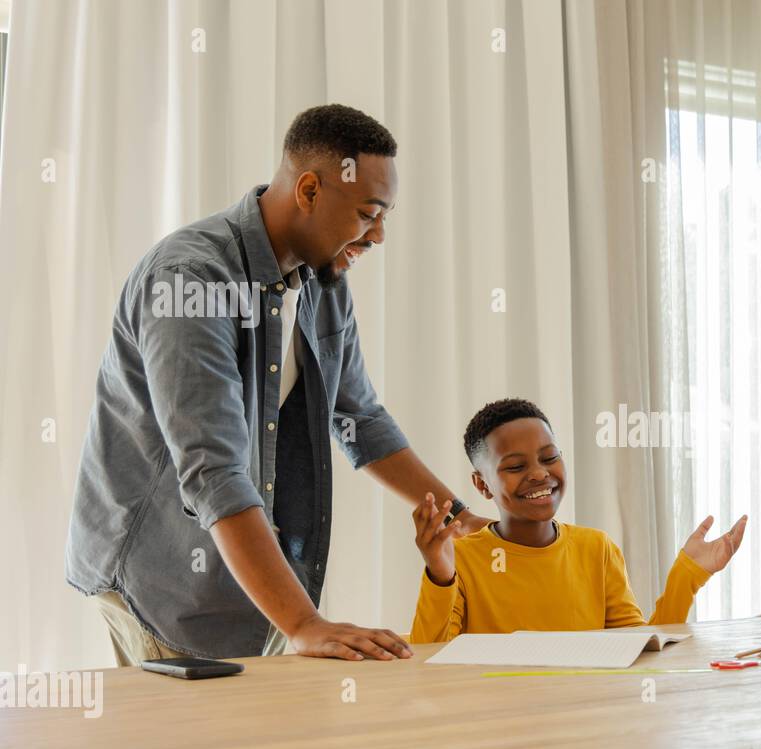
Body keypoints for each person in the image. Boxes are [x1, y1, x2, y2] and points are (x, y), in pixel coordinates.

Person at [67, 104, 487, 665]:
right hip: (162, 576)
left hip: (259, 580)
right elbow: (212, 467)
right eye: (369, 213)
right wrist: (305, 624)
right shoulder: (191, 279)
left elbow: (358, 417)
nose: (380, 234)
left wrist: (459, 519)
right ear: (310, 190)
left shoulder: (325, 276)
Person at [409, 397, 747, 643]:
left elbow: (638, 651)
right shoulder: (461, 560)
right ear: (482, 485)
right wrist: (440, 575)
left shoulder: (596, 549)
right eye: (515, 467)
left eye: (549, 457)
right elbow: (429, 660)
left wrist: (686, 575)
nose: (539, 474)